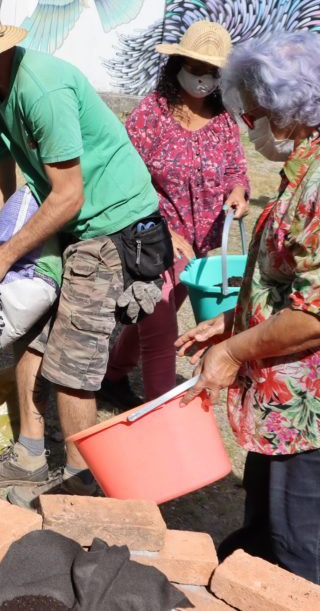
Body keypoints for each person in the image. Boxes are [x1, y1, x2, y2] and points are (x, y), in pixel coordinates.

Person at [0, 1, 167, 504]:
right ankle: (28, 454)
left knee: (72, 363)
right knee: (32, 334)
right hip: (70, 222)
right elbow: (3, 181)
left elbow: (70, 194)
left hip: (113, 227)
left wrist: (4, 260)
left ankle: (81, 486)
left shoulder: (41, 89)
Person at [177, 32, 320, 599]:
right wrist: (236, 322)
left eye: (255, 111)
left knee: (313, 556)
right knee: (267, 532)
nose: (248, 122)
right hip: (287, 403)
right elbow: (297, 277)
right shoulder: (311, 159)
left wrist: (233, 351)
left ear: (293, 109)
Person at [101, 21, 249, 409]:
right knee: (163, 326)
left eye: (211, 72)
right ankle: (162, 412)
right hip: (151, 241)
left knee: (154, 313)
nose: (202, 79)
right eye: (195, 68)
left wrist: (237, 191)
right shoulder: (152, 113)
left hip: (199, 249)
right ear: (177, 64)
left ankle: (113, 376)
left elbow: (236, 169)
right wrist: (164, 228)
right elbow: (125, 175)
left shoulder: (223, 120)